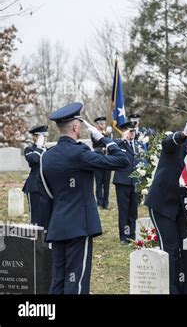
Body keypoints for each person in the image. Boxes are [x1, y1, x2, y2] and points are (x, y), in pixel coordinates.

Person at [39, 102, 129, 294]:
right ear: (75, 127)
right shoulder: (80, 153)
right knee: (76, 282)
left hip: (57, 226)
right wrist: (103, 138)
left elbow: (47, 194)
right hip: (79, 226)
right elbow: (123, 160)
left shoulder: (46, 156)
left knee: (58, 281)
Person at [145, 120, 187, 294]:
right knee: (170, 249)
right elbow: (167, 143)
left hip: (182, 209)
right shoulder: (177, 143)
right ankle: (170, 289)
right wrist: (183, 134)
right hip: (162, 205)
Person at [113, 121, 141, 245]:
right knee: (124, 210)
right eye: (130, 131)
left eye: (134, 131)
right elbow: (112, 149)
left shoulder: (138, 144)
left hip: (135, 181)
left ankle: (132, 234)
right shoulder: (119, 144)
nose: (133, 133)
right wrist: (123, 139)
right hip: (122, 181)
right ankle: (124, 235)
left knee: (133, 210)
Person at [23, 125, 49, 226]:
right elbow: (34, 160)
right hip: (34, 186)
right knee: (36, 216)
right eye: (42, 136)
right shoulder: (29, 150)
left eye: (46, 136)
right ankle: (35, 240)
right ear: (35, 137)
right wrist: (38, 147)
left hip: (47, 186)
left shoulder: (48, 150)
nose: (45, 139)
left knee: (47, 215)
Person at [91, 116, 113, 210]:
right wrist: (105, 136)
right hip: (98, 158)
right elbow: (97, 142)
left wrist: (107, 135)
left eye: (104, 123)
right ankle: (99, 203)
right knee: (99, 182)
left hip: (107, 158)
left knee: (107, 183)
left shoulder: (108, 134)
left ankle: (106, 203)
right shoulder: (94, 133)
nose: (102, 125)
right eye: (101, 124)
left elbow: (110, 143)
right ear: (97, 124)